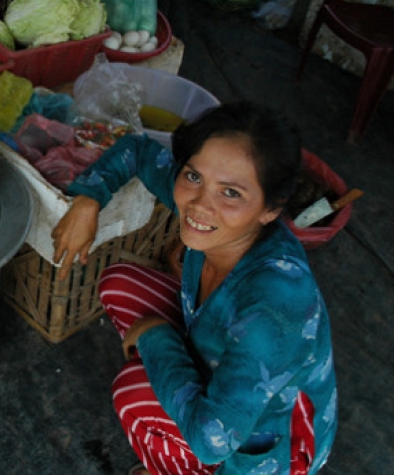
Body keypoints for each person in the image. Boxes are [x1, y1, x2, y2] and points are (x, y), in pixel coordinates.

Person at [51, 101, 338, 474]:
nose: (200, 204)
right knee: (120, 284)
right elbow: (137, 150)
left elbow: (212, 441)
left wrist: (155, 337)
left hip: (265, 445)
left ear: (270, 209)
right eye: (193, 176)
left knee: (133, 393)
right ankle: (179, 390)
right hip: (223, 368)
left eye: (231, 193)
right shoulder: (214, 213)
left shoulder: (276, 303)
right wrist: (88, 200)